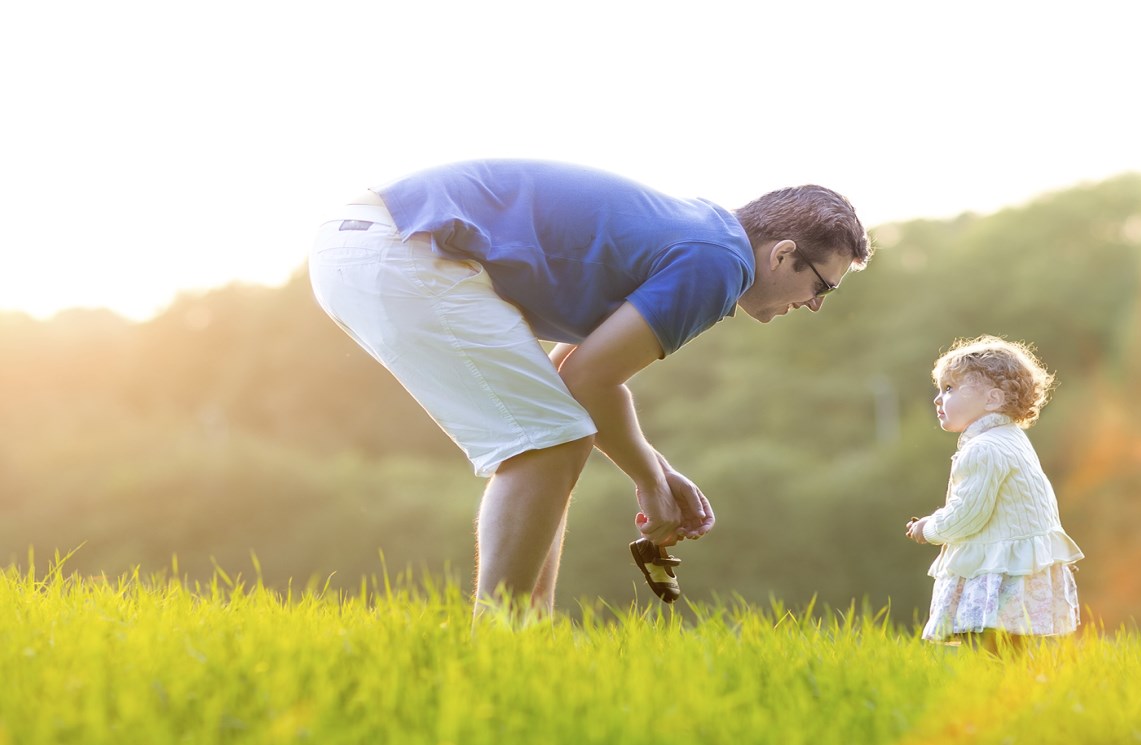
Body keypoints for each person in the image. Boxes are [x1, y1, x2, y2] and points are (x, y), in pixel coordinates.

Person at [308, 159, 871, 615]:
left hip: (372, 242)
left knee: (555, 437)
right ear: (782, 255)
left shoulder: (706, 240)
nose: (816, 305)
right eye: (822, 285)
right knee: (547, 440)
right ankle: (499, 641)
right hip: (400, 245)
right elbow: (586, 380)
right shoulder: (719, 263)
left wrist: (656, 468)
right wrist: (651, 480)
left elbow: (572, 377)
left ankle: (527, 638)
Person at [905, 335, 1083, 652]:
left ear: (992, 399)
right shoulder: (1011, 438)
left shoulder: (984, 448)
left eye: (949, 389)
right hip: (1020, 567)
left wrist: (929, 528)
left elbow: (968, 514)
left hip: (998, 574)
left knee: (987, 651)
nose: (937, 398)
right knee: (1014, 654)